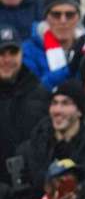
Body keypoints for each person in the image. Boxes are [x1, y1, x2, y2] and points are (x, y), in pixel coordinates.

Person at [16, 78, 85, 199]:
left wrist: (76, 186)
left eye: (65, 103)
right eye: (54, 103)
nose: (57, 110)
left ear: (79, 111)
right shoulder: (28, 149)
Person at [0, 24, 49, 185]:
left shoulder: (40, 93)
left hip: (33, 185)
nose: (7, 60)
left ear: (21, 54)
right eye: (1, 53)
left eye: (13, 53)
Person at [22, 0, 85, 89]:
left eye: (69, 15)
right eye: (56, 15)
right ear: (46, 17)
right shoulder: (29, 50)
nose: (63, 21)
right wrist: (68, 70)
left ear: (78, 18)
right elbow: (32, 90)